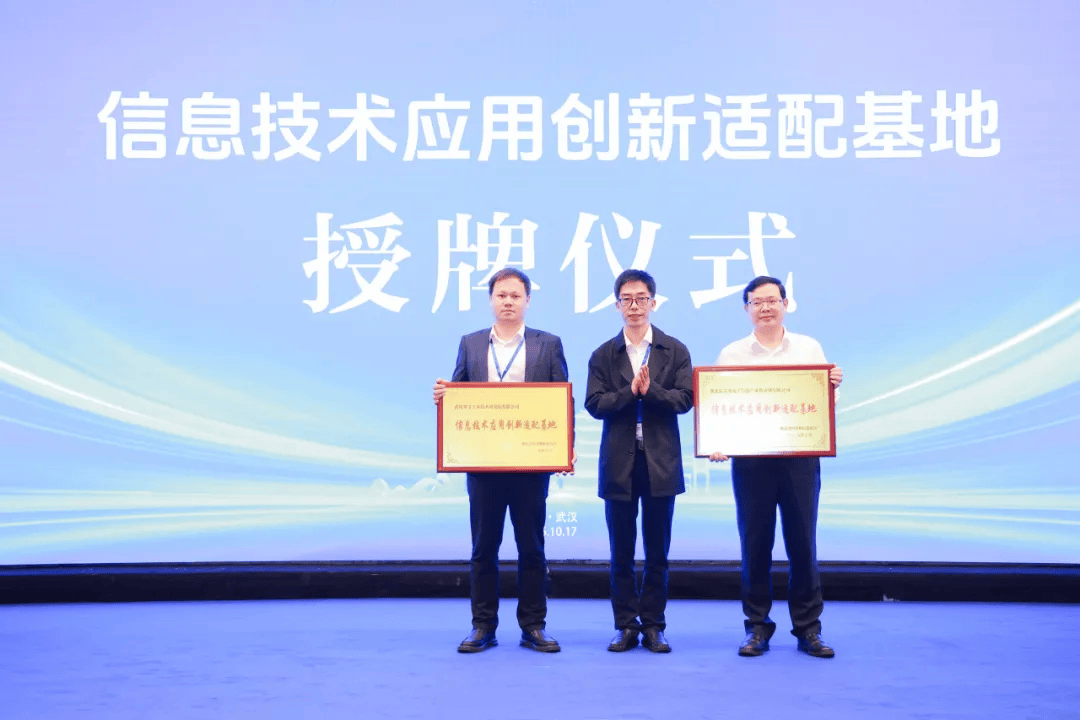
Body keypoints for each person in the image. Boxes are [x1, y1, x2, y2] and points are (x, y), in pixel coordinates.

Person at [433, 268, 570, 654]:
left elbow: (562, 397)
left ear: (528, 300)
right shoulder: (472, 343)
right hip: (483, 464)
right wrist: (445, 396)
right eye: (501, 295)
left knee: (532, 549)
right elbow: (459, 393)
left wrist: (565, 447)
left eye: (515, 295)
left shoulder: (548, 344)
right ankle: (483, 626)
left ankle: (533, 626)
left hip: (531, 463)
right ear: (491, 300)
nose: (508, 301)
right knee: (483, 549)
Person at [710, 275, 843, 659]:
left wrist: (831, 385)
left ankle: (809, 629)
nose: (765, 307)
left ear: (785, 304)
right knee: (755, 545)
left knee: (803, 544)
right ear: (747, 308)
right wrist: (717, 441)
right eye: (757, 302)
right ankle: (756, 628)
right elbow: (719, 406)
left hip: (800, 459)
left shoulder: (808, 347)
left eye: (772, 300)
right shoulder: (732, 354)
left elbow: (822, 404)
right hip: (751, 463)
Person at [585, 269, 693, 653]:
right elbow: (595, 404)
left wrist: (652, 391)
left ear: (653, 302)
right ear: (617, 305)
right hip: (619, 463)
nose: (634, 306)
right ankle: (625, 625)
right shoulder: (603, 354)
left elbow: (685, 400)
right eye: (627, 299)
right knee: (621, 552)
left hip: (661, 461)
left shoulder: (674, 350)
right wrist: (630, 393)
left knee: (657, 551)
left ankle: (654, 625)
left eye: (641, 298)